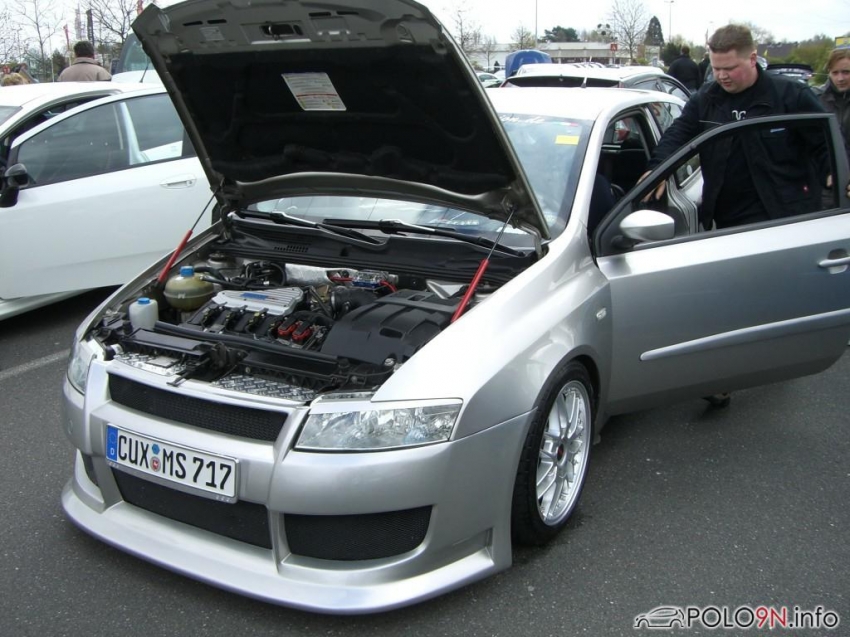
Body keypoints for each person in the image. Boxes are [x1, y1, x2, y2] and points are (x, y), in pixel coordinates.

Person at [813, 48, 850, 150]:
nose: (840, 78)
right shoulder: (816, 98)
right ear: (829, 73)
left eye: (846, 72)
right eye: (835, 73)